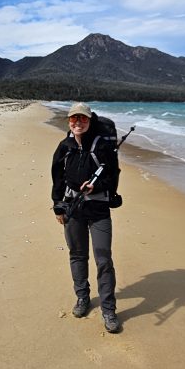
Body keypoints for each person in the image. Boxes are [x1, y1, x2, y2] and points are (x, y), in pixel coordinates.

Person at [51, 102, 122, 333]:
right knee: (77, 254)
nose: (78, 122)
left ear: (90, 120)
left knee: (104, 259)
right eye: (74, 118)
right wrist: (58, 206)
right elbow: (57, 178)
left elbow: (112, 175)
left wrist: (96, 185)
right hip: (73, 209)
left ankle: (108, 309)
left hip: (99, 210)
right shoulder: (65, 146)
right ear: (69, 121)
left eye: (82, 118)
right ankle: (83, 297)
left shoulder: (102, 146)